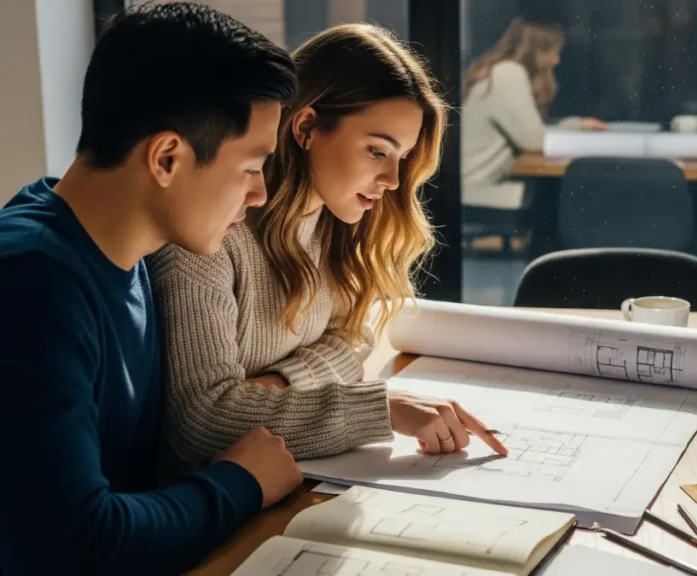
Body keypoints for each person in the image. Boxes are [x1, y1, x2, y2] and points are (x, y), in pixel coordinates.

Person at [0, 4, 304, 574]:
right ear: (167, 157)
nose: (261, 194)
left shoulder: (126, 251)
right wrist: (239, 482)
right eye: (251, 167)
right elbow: (75, 540)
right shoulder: (32, 281)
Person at [149, 23, 508, 468]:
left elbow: (354, 339)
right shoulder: (210, 236)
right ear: (306, 128)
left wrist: (276, 386)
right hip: (207, 502)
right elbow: (204, 422)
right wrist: (380, 408)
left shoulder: (338, 222)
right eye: (377, 151)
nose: (393, 181)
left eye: (402, 158)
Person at [461, 17, 606, 210]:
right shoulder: (508, 73)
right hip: (479, 191)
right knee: (563, 199)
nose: (557, 60)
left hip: (473, 186)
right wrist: (579, 132)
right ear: (533, 50)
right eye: (551, 52)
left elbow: (532, 130)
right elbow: (534, 140)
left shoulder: (498, 70)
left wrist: (578, 124)